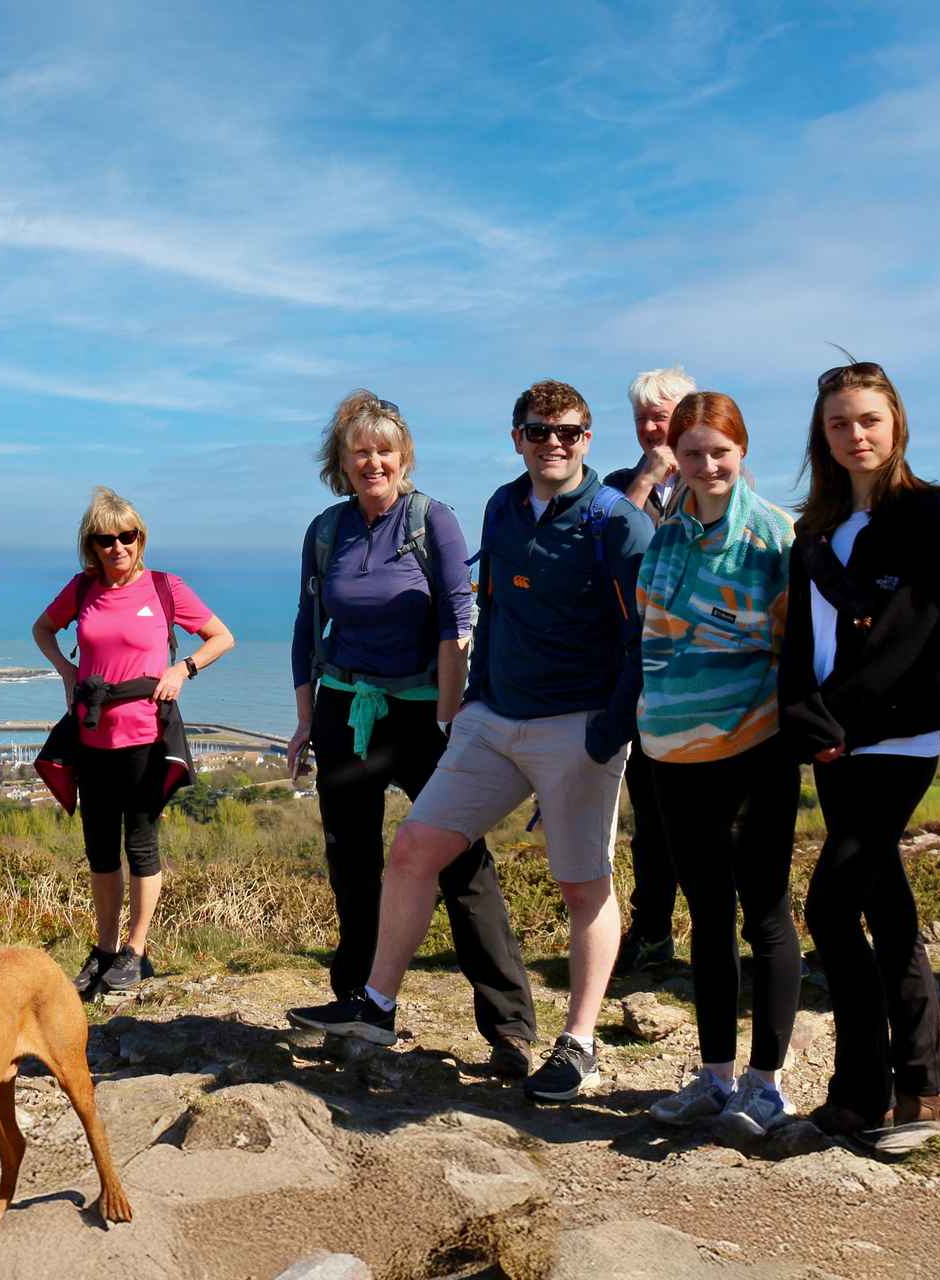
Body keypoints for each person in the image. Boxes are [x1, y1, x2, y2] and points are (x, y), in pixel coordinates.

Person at [292, 379, 651, 1103]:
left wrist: (607, 731)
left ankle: (558, 1038)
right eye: (539, 431)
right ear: (517, 437)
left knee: (571, 882)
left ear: (588, 438)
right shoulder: (501, 506)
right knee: (403, 853)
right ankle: (373, 1005)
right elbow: (488, 609)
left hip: (539, 721)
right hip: (462, 715)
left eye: (569, 432)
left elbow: (643, 634)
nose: (553, 443)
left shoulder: (613, 522)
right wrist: (475, 702)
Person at [284, 391, 539, 1079]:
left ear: (404, 458)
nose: (374, 462)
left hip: (426, 715)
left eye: (384, 451)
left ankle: (509, 1027)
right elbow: (308, 629)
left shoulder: (432, 521)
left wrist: (452, 718)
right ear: (342, 463)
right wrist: (306, 719)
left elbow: (458, 618)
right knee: (351, 859)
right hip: (347, 711)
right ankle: (361, 1002)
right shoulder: (327, 530)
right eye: (360, 452)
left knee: (460, 861)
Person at [779, 359, 940, 1141]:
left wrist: (837, 720)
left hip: (895, 736)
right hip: (835, 740)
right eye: (839, 423)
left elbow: (921, 627)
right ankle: (923, 1083)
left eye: (869, 419)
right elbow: (800, 636)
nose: (855, 434)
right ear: (822, 436)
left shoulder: (924, 512)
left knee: (831, 906)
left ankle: (864, 1088)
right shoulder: (814, 530)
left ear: (896, 425)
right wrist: (803, 716)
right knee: (885, 906)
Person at [631, 392, 803, 1138]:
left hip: (754, 746)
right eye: (693, 453)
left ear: (742, 451)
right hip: (671, 752)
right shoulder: (668, 535)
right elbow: (648, 634)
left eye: (720, 452)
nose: (707, 466)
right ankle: (715, 1076)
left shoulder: (774, 537)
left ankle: (766, 1086)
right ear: (675, 456)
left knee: (764, 912)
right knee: (705, 914)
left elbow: (797, 646)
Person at [31, 487, 234, 996]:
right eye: (106, 539)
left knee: (140, 845)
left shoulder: (165, 587)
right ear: (92, 545)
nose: (118, 547)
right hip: (92, 735)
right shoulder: (82, 589)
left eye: (128, 536)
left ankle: (136, 952)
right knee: (100, 850)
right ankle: (103, 950)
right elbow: (43, 629)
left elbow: (221, 637)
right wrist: (67, 672)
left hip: (146, 734)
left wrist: (182, 669)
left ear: (140, 538)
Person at [603, 366, 698, 975]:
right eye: (642, 417)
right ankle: (653, 931)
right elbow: (604, 550)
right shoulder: (617, 486)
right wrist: (645, 481)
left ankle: (735, 938)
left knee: (715, 819)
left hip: (705, 676)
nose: (650, 428)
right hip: (642, 676)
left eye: (660, 416)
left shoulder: (717, 478)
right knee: (652, 817)